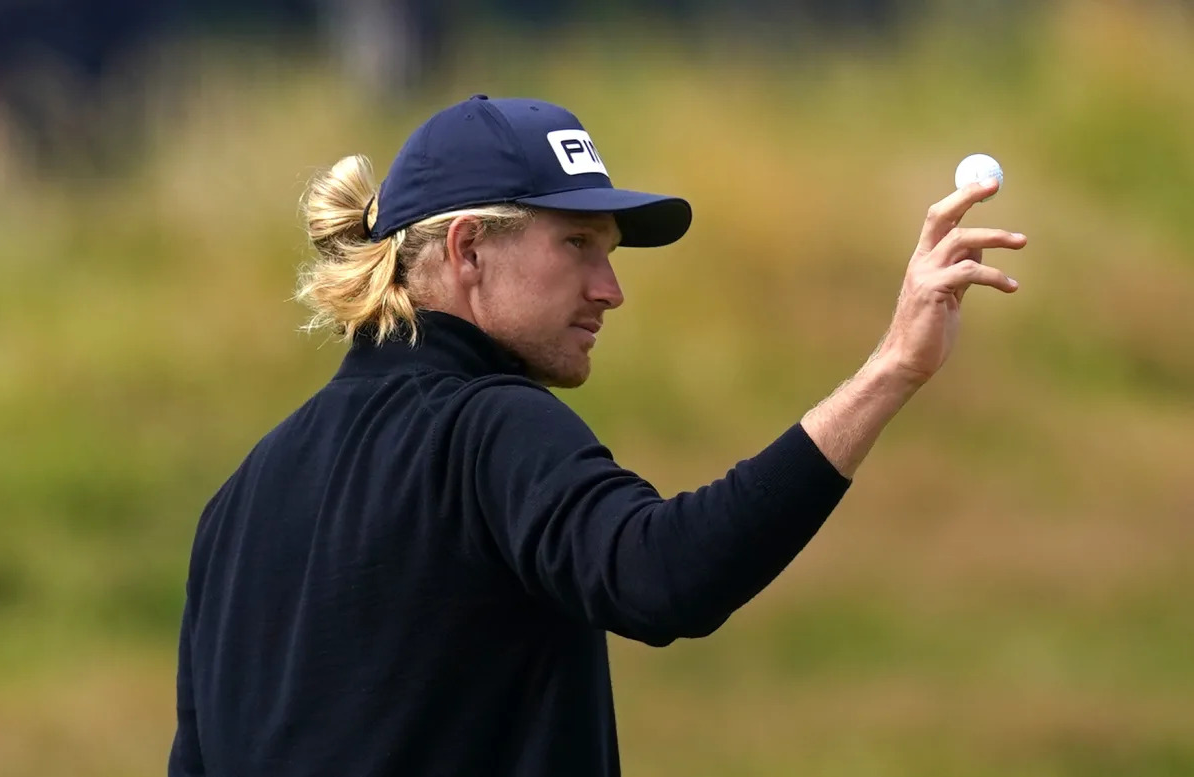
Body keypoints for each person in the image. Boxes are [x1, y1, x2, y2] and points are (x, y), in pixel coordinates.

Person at [168, 94, 1026, 777]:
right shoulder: (489, 426)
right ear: (467, 249)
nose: (609, 288)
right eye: (577, 243)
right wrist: (890, 370)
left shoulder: (238, 500)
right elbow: (662, 576)